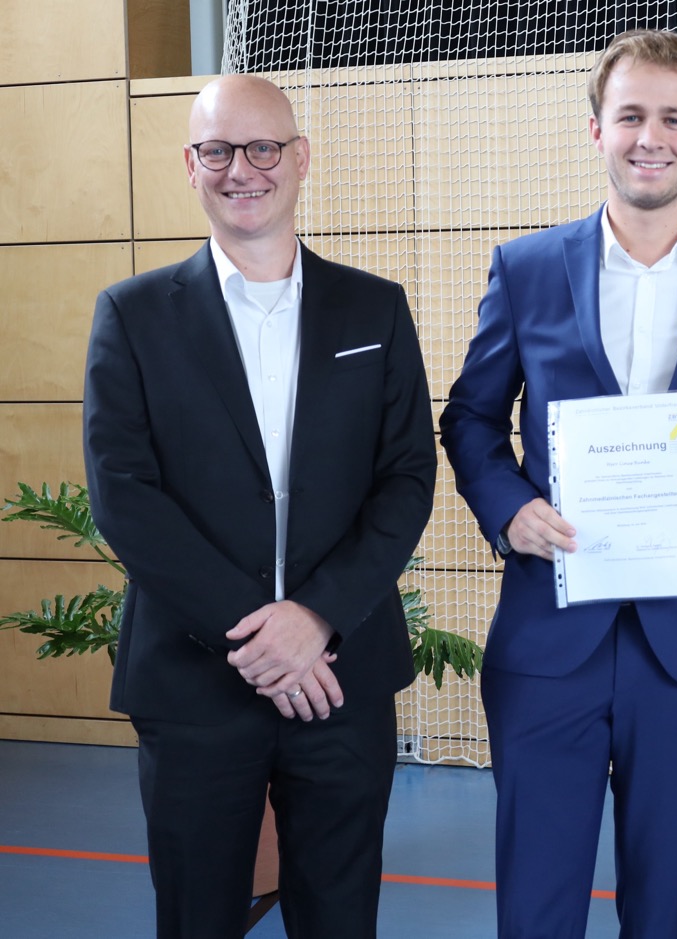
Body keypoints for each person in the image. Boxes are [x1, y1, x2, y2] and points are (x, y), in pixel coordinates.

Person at [439, 29, 677, 939]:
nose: (650, 137)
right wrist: (510, 507)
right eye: (630, 116)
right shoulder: (526, 270)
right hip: (547, 637)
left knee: (665, 907)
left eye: (673, 119)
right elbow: (470, 418)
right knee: (536, 906)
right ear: (596, 129)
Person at [82, 75, 438, 938]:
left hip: (341, 679)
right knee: (196, 918)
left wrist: (314, 618)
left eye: (263, 147)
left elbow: (406, 478)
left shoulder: (375, 308)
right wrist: (259, 633)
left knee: (339, 918)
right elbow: (124, 495)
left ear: (300, 157)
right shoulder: (132, 315)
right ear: (191, 164)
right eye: (217, 150)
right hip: (193, 684)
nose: (241, 169)